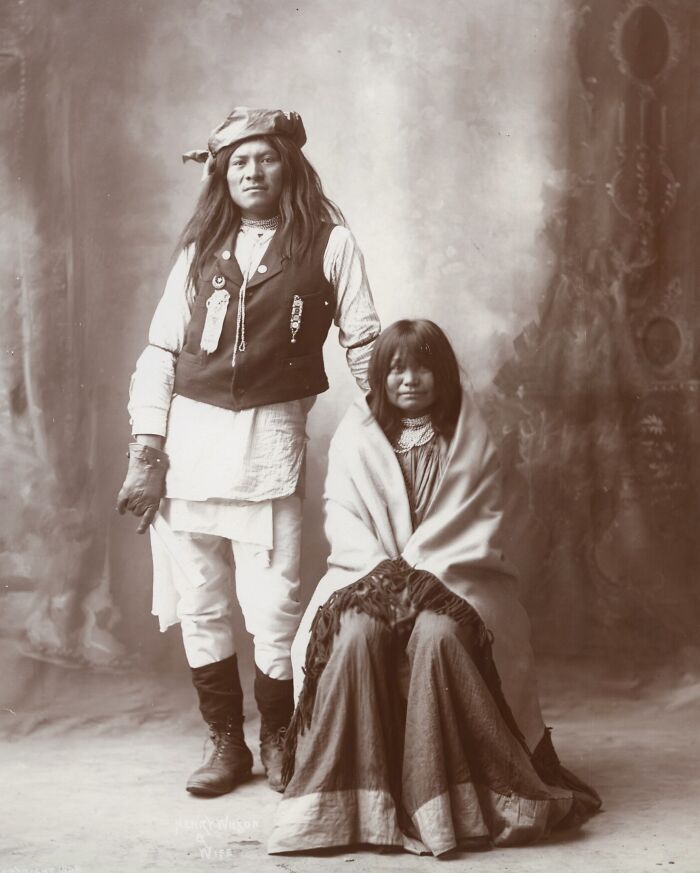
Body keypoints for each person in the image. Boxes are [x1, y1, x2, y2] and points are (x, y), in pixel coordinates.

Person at [116, 107, 380, 797]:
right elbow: (160, 352)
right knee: (202, 603)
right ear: (221, 175)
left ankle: (279, 735)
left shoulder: (330, 243)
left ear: (287, 163)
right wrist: (147, 451)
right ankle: (225, 742)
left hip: (268, 450)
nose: (252, 171)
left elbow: (364, 343)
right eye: (238, 162)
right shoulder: (201, 250)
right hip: (188, 449)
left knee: (273, 606)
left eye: (263, 158)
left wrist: (392, 425)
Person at [269, 319, 600, 856]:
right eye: (396, 368)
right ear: (380, 376)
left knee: (440, 637)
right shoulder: (356, 433)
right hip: (368, 574)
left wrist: (422, 579)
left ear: (442, 374)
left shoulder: (469, 434)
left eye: (423, 366)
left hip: (458, 576)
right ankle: (345, 807)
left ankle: (448, 802)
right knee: (353, 636)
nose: (410, 379)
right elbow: (344, 515)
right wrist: (382, 573)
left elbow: (477, 520)